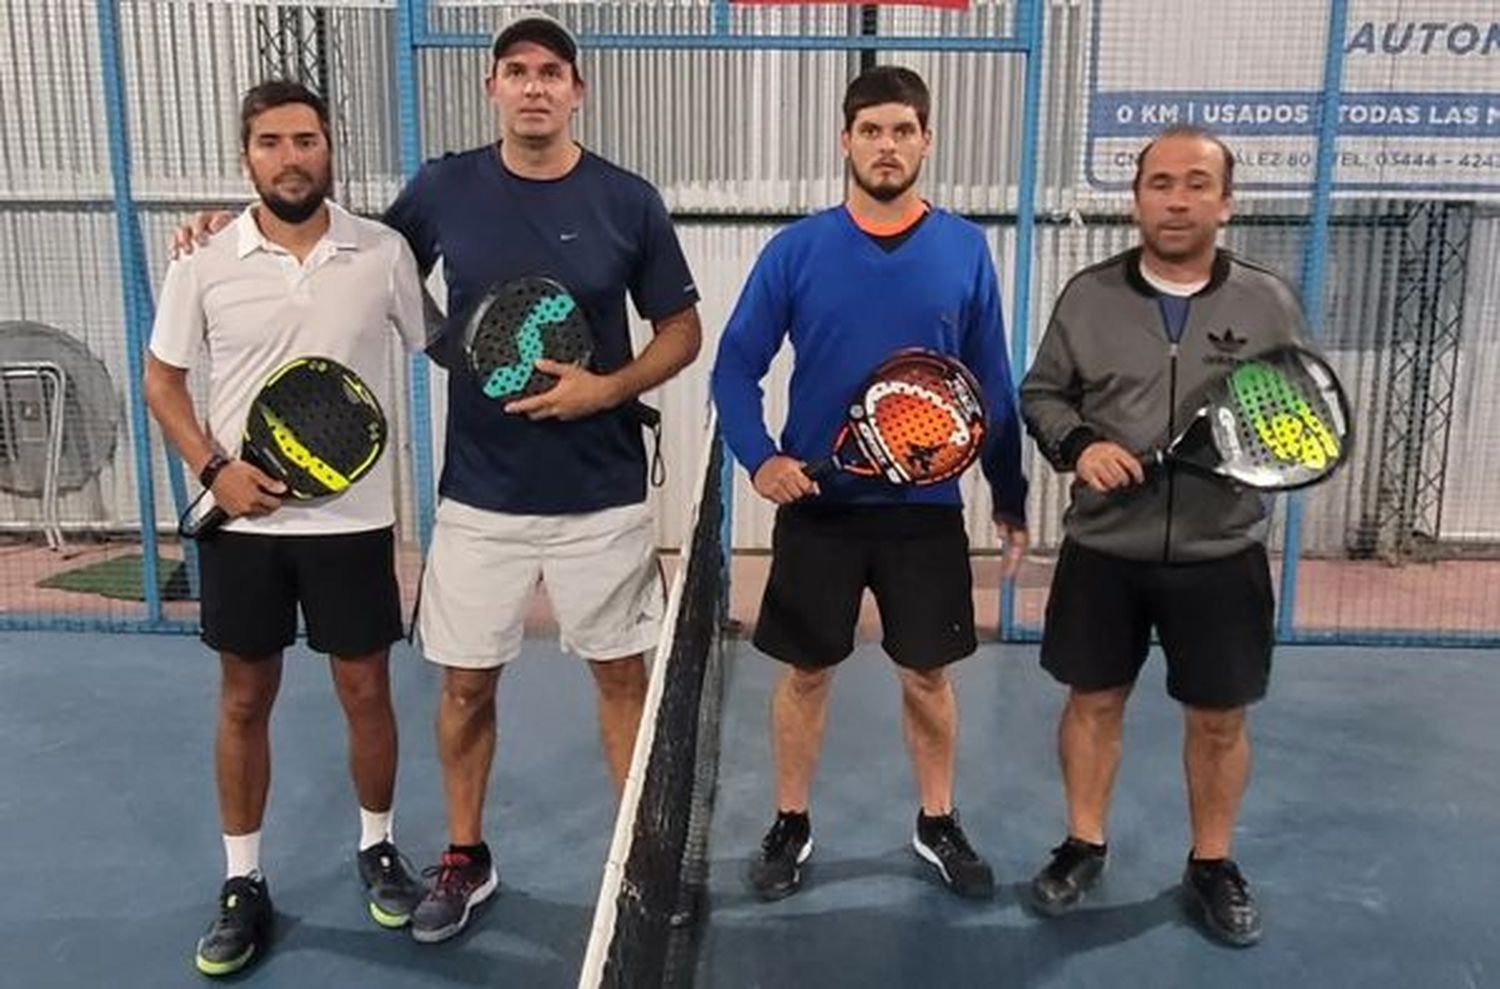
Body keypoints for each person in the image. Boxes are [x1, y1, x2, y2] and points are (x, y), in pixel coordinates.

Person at [173, 12, 702, 944]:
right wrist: (223, 229)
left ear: (577, 91)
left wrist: (607, 388)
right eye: (517, 72)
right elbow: (336, 244)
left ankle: (638, 857)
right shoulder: (444, 189)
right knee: (464, 686)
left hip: (605, 492)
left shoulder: (629, 200)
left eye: (552, 72)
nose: (535, 87)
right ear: (492, 89)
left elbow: (681, 330)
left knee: (623, 679)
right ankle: (465, 856)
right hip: (480, 496)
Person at [711, 66, 1028, 902]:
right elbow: (736, 364)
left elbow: (991, 383)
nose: (887, 146)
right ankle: (790, 821)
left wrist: (1009, 491)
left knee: (928, 675)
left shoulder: (963, 248)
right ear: (846, 140)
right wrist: (760, 457)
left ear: (926, 140)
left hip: (924, 512)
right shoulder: (797, 250)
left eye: (903, 131)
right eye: (871, 130)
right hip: (820, 505)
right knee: (807, 672)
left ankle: (936, 819)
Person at [144, 80, 427, 977]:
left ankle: (378, 845)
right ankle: (242, 880)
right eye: (271, 142)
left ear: (329, 149)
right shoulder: (202, 259)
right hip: (244, 526)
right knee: (242, 700)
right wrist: (212, 467)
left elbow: (435, 343)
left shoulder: (382, 252)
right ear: (246, 158)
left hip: (353, 521)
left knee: (367, 692)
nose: (291, 156)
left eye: (306, 139)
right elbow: (162, 380)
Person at [1019, 124, 1309, 947]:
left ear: (1226, 201)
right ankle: (1083, 842)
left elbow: (1297, 413)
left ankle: (1211, 862)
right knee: (1094, 699)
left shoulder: (1267, 302)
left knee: (1219, 718)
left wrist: (1256, 449)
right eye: (1160, 183)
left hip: (1223, 553)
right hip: (1106, 550)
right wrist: (1082, 446)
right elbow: (1043, 395)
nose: (1176, 200)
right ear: (1137, 197)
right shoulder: (1087, 296)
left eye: (1195, 184)